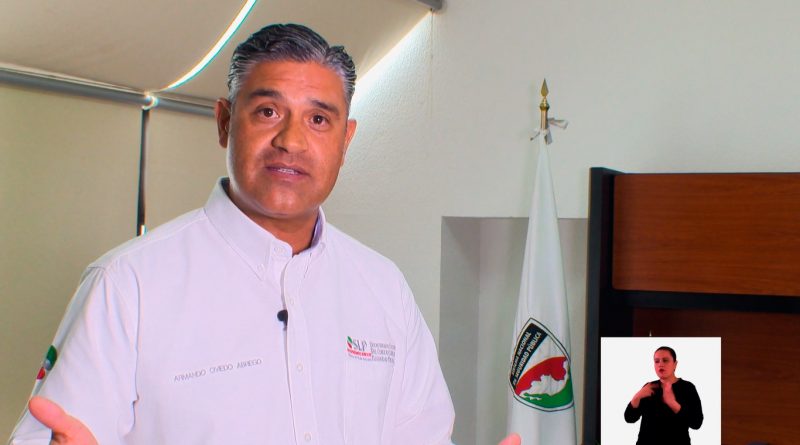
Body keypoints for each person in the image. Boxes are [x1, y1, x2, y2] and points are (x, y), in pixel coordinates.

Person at [8, 23, 521, 445]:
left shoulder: (383, 287)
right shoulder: (128, 284)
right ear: (224, 121)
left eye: (318, 119)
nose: (291, 141)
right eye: (268, 112)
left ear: (346, 139)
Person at [624, 346, 703, 445]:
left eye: (665, 360)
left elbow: (696, 423)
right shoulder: (649, 387)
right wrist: (637, 397)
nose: (660, 364)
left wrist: (673, 403)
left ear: (675, 364)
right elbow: (629, 418)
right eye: (656, 361)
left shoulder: (688, 388)